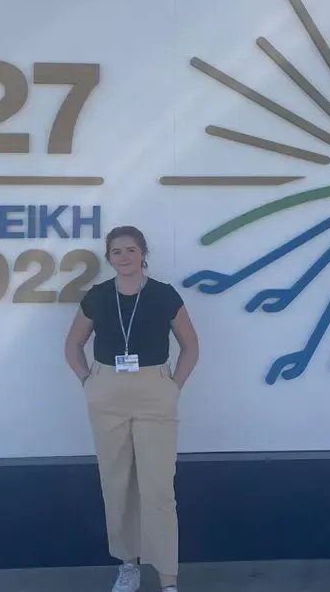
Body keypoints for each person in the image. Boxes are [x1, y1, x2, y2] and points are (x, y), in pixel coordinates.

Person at [64, 225, 201, 592]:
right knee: (117, 482)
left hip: (153, 389)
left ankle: (168, 578)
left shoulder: (163, 295)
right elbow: (73, 346)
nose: (124, 257)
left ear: (143, 253)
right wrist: (88, 382)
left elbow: (190, 346)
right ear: (108, 258)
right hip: (107, 391)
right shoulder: (97, 296)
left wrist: (173, 388)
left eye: (130, 250)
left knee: (158, 488)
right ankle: (129, 565)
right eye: (116, 252)